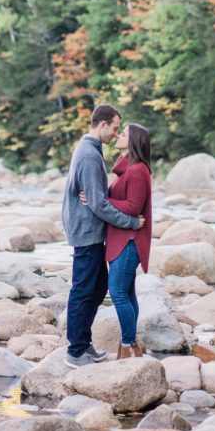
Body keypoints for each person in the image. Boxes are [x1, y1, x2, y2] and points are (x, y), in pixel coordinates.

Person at [61, 104, 145, 368]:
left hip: (90, 230)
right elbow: (97, 205)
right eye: (115, 128)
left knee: (97, 288)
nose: (116, 133)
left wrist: (101, 197)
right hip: (86, 233)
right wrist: (131, 222)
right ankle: (75, 352)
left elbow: (97, 199)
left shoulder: (91, 150)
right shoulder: (88, 154)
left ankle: (84, 344)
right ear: (102, 124)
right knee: (84, 290)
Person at [80, 122, 152, 359]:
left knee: (118, 293)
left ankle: (128, 345)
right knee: (127, 292)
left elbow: (133, 207)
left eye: (124, 133)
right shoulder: (126, 169)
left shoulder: (138, 170)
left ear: (134, 142)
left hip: (129, 240)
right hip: (121, 239)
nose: (119, 135)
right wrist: (96, 198)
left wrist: (98, 200)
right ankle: (133, 347)